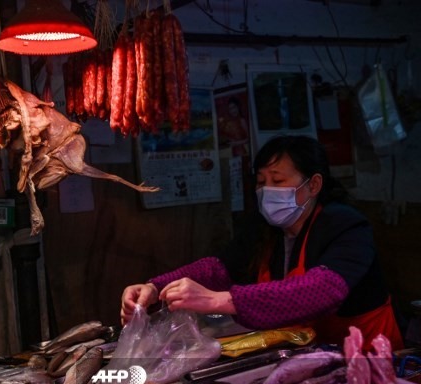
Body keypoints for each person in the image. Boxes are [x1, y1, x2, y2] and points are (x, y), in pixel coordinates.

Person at [121, 135, 403, 350]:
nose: (267, 190)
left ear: (313, 185)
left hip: (372, 356)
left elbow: (324, 289)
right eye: (261, 182)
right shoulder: (266, 228)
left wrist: (220, 300)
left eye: (277, 180)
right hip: (313, 354)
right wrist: (155, 288)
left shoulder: (346, 225)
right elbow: (218, 268)